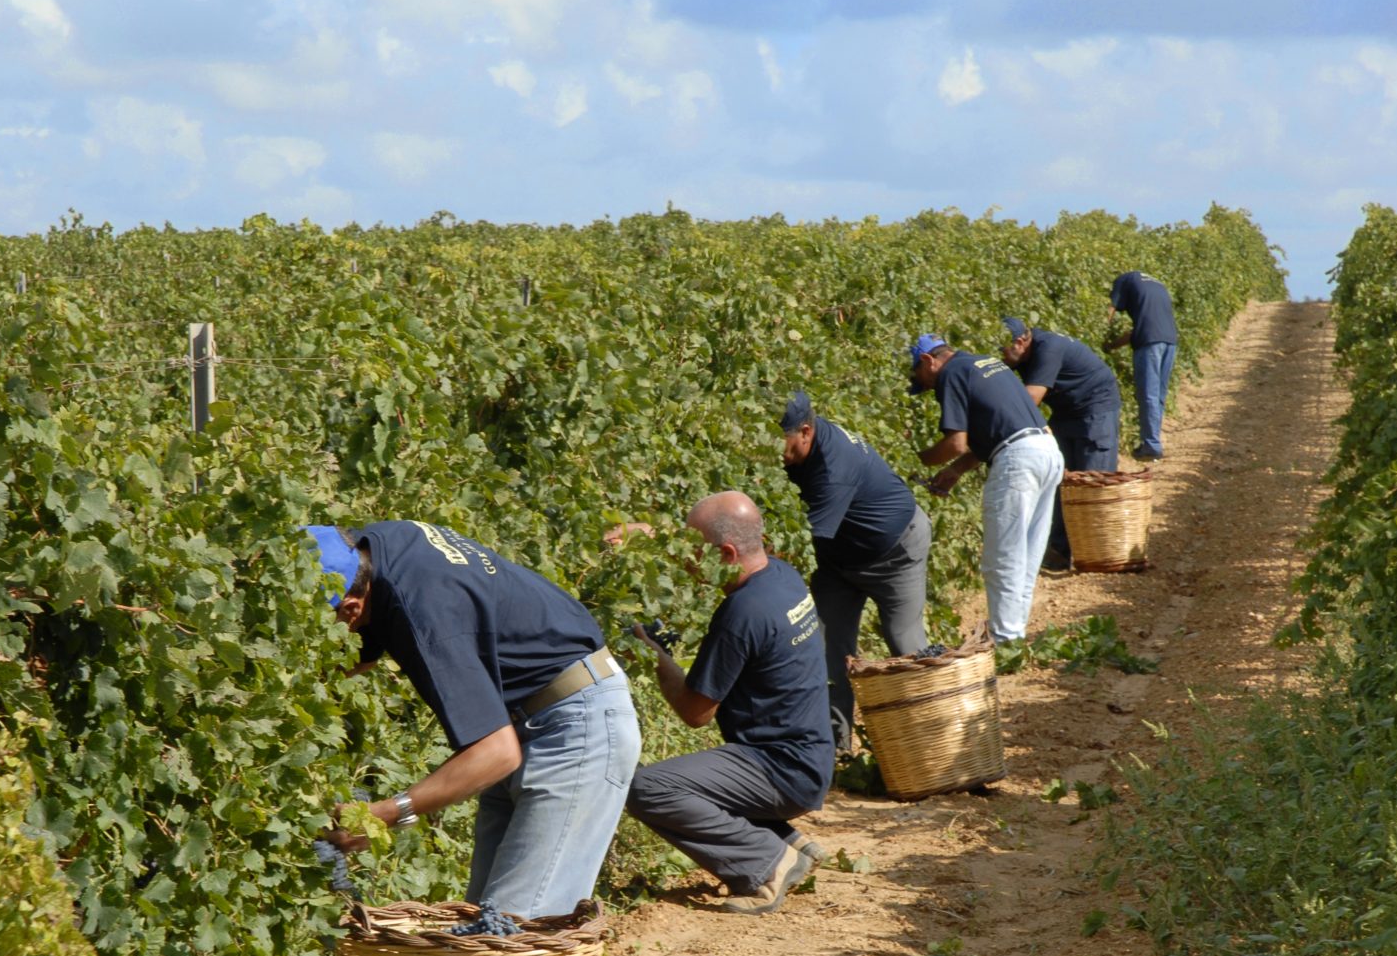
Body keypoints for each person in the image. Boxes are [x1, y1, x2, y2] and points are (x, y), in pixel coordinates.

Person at [304, 521, 641, 919]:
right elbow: (358, 657)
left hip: (575, 727)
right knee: (484, 918)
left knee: (517, 929)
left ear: (351, 608)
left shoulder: (425, 611)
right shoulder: (370, 550)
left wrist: (382, 815)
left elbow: (496, 754)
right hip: (530, 715)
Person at [623, 492, 832, 915]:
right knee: (706, 774)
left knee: (648, 788)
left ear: (727, 553)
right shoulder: (783, 577)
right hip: (810, 756)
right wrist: (646, 534)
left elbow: (695, 713)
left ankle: (765, 862)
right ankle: (786, 838)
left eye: (694, 551)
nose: (687, 560)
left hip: (781, 769)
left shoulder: (742, 612)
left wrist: (649, 653)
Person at [779, 390, 932, 753]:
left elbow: (797, 544)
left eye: (779, 441)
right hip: (838, 559)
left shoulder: (834, 467)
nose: (774, 451)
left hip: (896, 552)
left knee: (904, 640)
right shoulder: (801, 448)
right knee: (826, 648)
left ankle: (933, 742)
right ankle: (836, 748)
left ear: (805, 431)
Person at [910, 334, 1064, 644]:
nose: (926, 387)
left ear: (929, 360)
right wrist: (955, 471)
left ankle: (1005, 639)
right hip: (1047, 450)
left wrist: (915, 460)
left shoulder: (950, 374)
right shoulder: (986, 363)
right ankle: (1014, 637)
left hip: (1018, 461)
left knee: (1003, 558)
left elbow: (956, 443)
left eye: (921, 379)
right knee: (1027, 555)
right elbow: (997, 428)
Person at [999, 316, 1122, 571]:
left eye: (1001, 350)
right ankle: (1059, 551)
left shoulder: (1048, 348)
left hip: (1095, 408)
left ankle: (1099, 552)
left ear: (1020, 342)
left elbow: (1030, 399)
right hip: (1066, 410)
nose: (999, 357)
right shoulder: (1022, 355)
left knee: (1091, 479)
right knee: (1058, 479)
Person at [1103, 271, 1179, 463]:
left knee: (1148, 393)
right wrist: (1112, 346)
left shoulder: (1122, 280)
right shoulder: (1157, 284)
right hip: (1170, 340)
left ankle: (1151, 445)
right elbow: (1142, 326)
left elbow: (1110, 311)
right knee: (1158, 395)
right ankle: (1153, 441)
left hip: (1149, 342)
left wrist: (1100, 332)